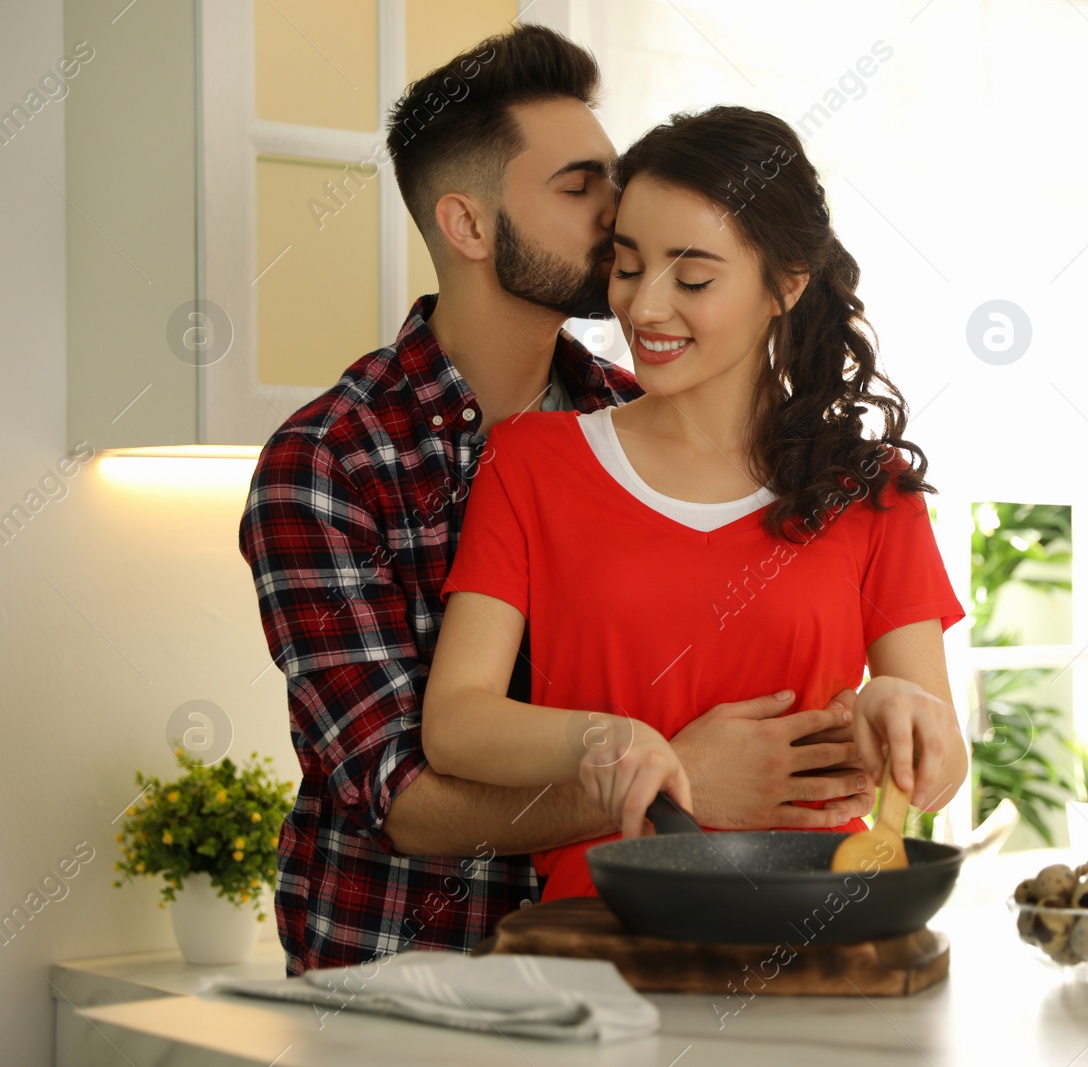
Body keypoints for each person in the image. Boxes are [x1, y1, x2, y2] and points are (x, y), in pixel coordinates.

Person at [239, 26, 872, 976]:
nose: (618, 211)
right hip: (404, 979)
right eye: (580, 188)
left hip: (618, 964)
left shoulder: (636, 421)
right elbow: (401, 799)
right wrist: (676, 776)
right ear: (470, 226)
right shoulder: (326, 464)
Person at [421, 106, 969, 900]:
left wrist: (897, 710)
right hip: (602, 939)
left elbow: (941, 759)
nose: (644, 309)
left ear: (786, 284)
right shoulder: (534, 462)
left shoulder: (868, 488)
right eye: (629, 264)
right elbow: (456, 724)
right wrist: (614, 741)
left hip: (814, 928)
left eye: (695, 277)